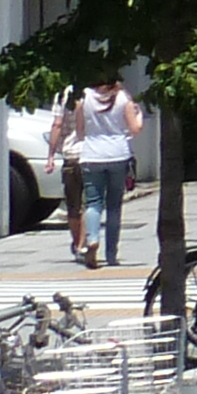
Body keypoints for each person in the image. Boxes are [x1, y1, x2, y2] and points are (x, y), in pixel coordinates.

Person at [50, 72, 140, 272]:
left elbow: (81, 133)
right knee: (114, 206)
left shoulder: (85, 98)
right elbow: (134, 128)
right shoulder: (123, 98)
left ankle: (91, 240)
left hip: (91, 155)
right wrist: (138, 116)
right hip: (118, 154)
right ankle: (111, 254)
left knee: (93, 202)